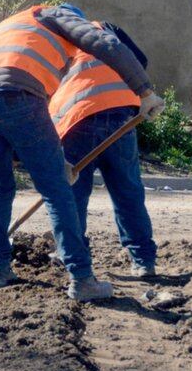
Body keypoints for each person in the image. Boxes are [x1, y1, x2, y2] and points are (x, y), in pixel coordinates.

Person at [0, 3, 165, 300]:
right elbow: (104, 42)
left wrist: (43, 157)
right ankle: (82, 278)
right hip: (19, 90)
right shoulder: (55, 15)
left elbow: (24, 121)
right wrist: (145, 92)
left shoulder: (17, 25)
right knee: (57, 188)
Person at [50, 14, 161, 278]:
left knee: (73, 192)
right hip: (120, 115)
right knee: (127, 190)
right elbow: (139, 62)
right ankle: (143, 260)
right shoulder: (107, 29)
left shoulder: (56, 41)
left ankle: (72, 258)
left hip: (77, 120)